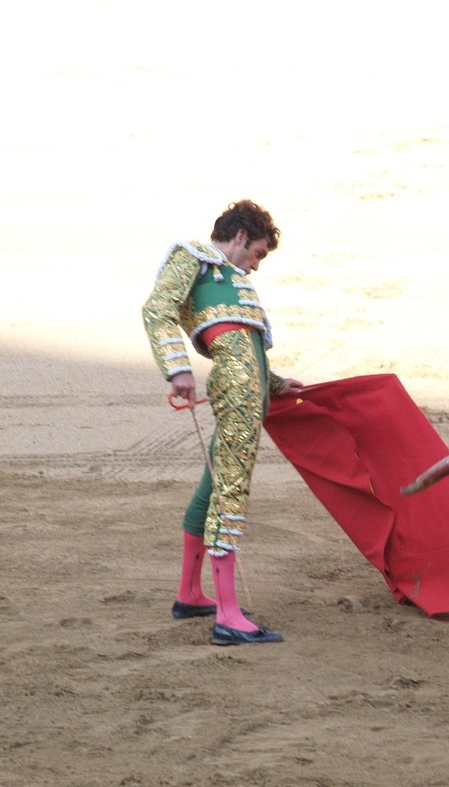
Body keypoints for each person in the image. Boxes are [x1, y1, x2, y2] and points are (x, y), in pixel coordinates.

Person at [141, 199, 302, 646]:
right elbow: (157, 310)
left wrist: (277, 382)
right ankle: (229, 616)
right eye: (257, 253)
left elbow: (242, 343)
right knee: (231, 487)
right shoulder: (191, 255)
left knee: (213, 485)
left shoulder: (227, 277)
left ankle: (191, 593)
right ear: (238, 238)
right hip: (238, 389)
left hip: (249, 385)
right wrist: (177, 369)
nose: (255, 266)